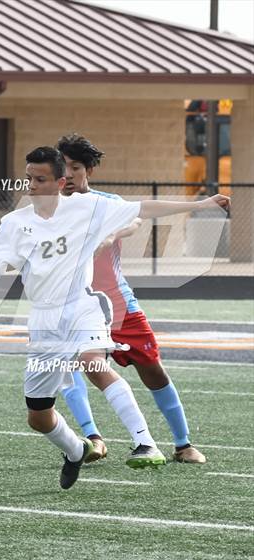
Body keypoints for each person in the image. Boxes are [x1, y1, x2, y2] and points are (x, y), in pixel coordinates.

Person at [0, 147, 229, 489]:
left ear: (59, 182)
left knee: (96, 366)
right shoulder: (13, 224)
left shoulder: (89, 207)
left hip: (83, 307)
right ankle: (74, 450)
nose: (33, 186)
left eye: (41, 179)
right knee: (38, 417)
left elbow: (145, 208)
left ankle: (145, 443)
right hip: (44, 323)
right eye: (29, 178)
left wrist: (201, 204)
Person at [56, 133, 215, 464]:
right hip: (75, 308)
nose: (68, 173)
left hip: (118, 305)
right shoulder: (48, 210)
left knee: (153, 371)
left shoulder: (107, 203)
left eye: (76, 167)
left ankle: (183, 444)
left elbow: (136, 219)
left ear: (89, 171)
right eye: (63, 167)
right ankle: (93, 439)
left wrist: (113, 233)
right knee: (74, 368)